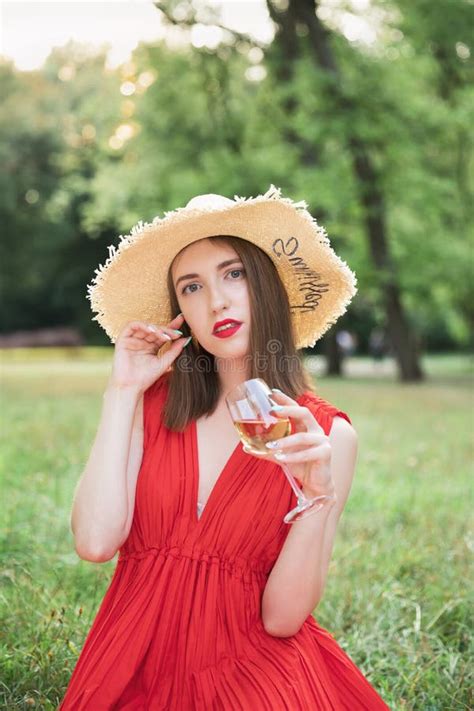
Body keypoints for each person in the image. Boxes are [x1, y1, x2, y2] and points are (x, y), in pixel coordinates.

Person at [60, 186, 391, 709]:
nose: (216, 301)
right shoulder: (148, 406)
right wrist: (121, 392)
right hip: (132, 665)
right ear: (180, 314)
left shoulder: (325, 435)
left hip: (253, 670)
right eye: (191, 287)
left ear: (267, 286)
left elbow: (283, 620)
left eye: (234, 273)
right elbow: (96, 542)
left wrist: (317, 494)